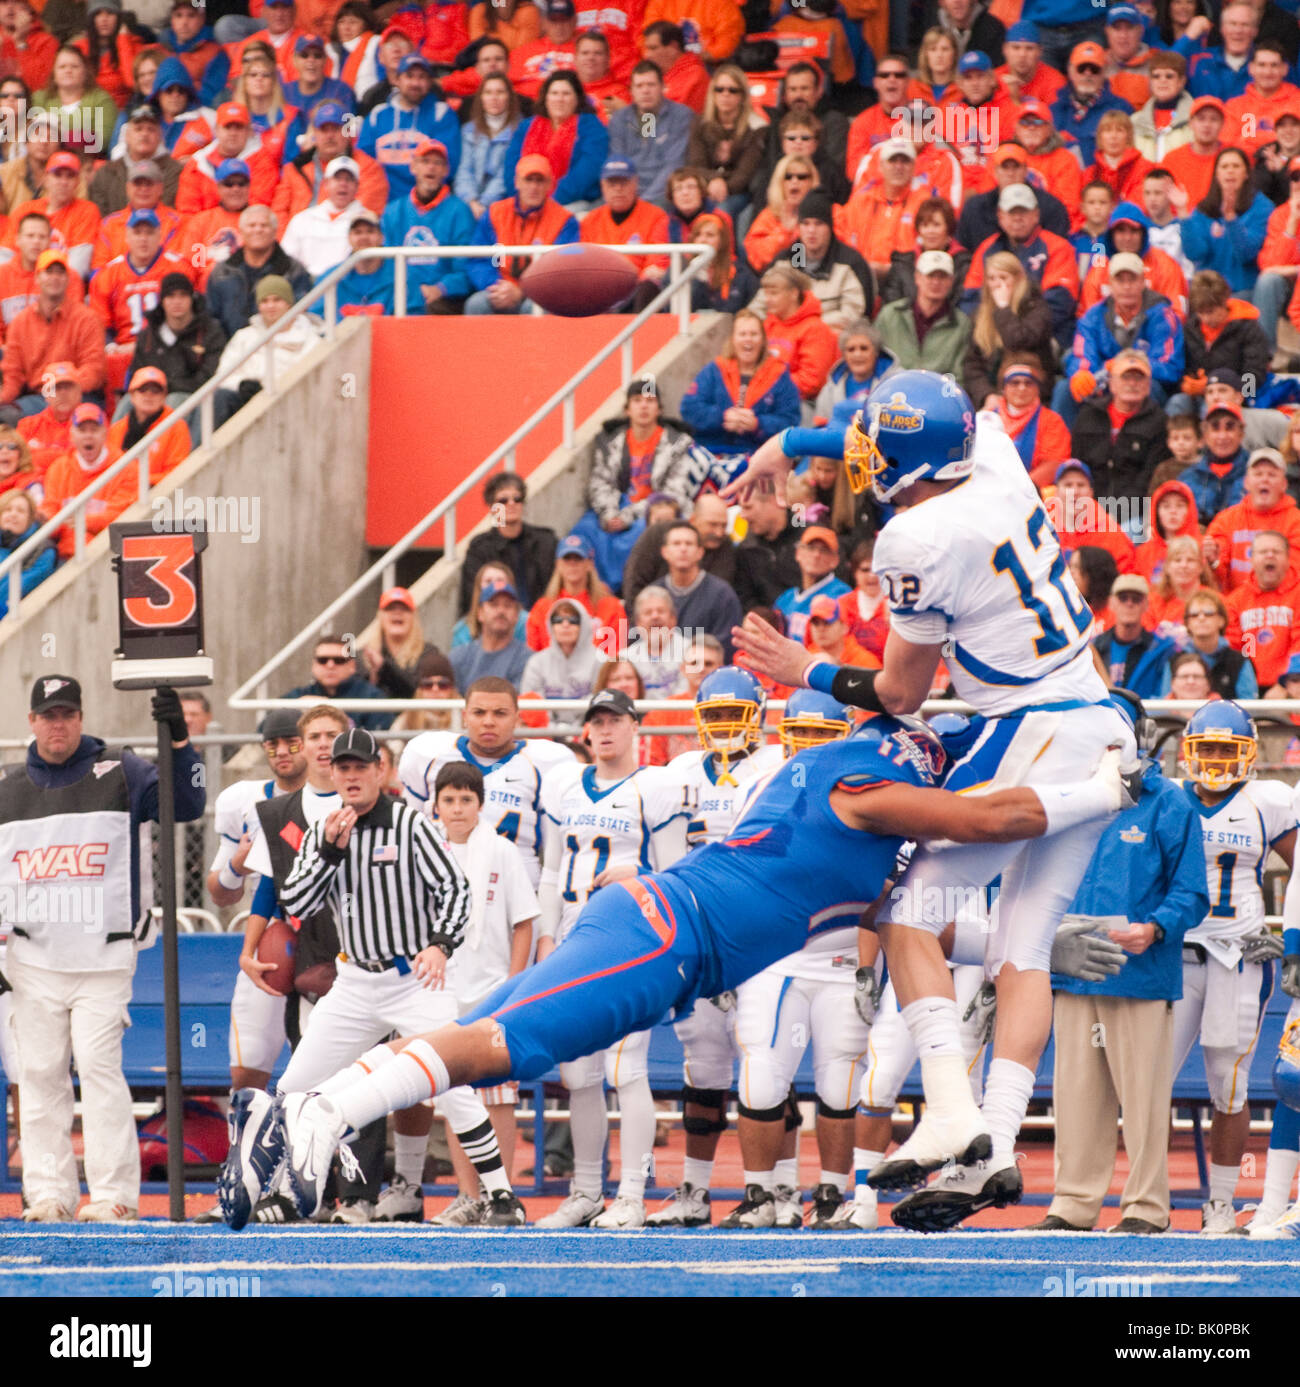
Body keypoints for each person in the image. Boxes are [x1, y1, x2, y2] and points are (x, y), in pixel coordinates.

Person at [222, 709, 1132, 1228]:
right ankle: (316, 1116)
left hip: (660, 922)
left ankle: (305, 1121)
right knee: (506, 1048)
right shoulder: (861, 788)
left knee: (480, 1031)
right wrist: (1098, 790)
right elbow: (989, 821)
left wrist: (1040, 945)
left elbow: (918, 923)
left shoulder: (847, 806)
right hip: (669, 935)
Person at [722, 368, 1139, 1230]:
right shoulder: (990, 449)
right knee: (1022, 945)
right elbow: (898, 444)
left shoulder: (914, 539)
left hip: (1031, 726)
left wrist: (802, 670)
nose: (860, 452)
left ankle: (950, 1108)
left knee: (908, 913)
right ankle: (992, 1140)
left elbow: (901, 693)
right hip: (1097, 714)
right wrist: (791, 443)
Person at [219, 726, 527, 1231]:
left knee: (454, 1087)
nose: (352, 775)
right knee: (295, 1085)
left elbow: (454, 890)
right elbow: (295, 903)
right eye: (343, 767)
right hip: (355, 981)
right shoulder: (326, 829)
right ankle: (280, 1192)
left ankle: (500, 1194)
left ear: (380, 771)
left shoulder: (409, 824)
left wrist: (439, 944)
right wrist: (330, 854)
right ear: (333, 773)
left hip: (412, 978)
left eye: (361, 766)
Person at [6, 677, 204, 1223]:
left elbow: (187, 803)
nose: (58, 724)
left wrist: (180, 740)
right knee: (39, 1074)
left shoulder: (122, 769)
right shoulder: (7, 788)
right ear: (32, 721)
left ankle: (115, 1194)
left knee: (97, 1069)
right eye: (48, 715)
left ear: (81, 715)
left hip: (104, 955)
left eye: (67, 713)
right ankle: (49, 1194)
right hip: (31, 957)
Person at [1030, 691, 1209, 1234]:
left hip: (1142, 971)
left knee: (1145, 1100)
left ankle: (1147, 1208)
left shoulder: (1169, 802)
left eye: (1113, 730)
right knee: (1076, 1097)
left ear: (1137, 735)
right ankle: (1073, 1203)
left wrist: (1154, 927)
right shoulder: (1064, 798)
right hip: (1075, 974)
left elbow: (1192, 892)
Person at [530, 688, 689, 1230]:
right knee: (578, 1074)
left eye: (614, 721)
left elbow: (678, 874)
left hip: (629, 939)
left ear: (634, 727)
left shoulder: (654, 787)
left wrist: (638, 877)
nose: (604, 730)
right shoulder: (564, 785)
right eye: (596, 721)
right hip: (575, 940)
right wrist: (547, 936)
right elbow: (551, 873)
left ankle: (633, 1193)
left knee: (628, 1069)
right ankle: (586, 1191)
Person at [648, 668, 786, 1229]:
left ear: (756, 716)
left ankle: (779, 1191)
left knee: (766, 1064)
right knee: (702, 1066)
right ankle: (694, 1191)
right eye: (717, 715)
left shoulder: (775, 767)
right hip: (700, 936)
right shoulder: (676, 775)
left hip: (760, 934)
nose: (727, 727)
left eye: (736, 714)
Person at [1171, 702, 1299, 1233]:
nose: (1218, 760)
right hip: (1172, 956)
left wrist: (1285, 937)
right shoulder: (1168, 799)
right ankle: (1145, 1199)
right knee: (1147, 1082)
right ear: (1188, 752)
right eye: (1208, 749)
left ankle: (1221, 1204)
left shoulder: (1267, 802)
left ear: (1248, 753)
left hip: (1240, 957)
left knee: (1230, 1083)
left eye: (1229, 748)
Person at [418, 761, 539, 1226]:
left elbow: (524, 921)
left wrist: (513, 983)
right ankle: (467, 1195)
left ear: (481, 804)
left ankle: (500, 1193)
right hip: (441, 989)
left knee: (498, 1097)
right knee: (454, 1094)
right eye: (448, 800)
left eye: (466, 799)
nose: (457, 808)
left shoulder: (503, 852)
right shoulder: (425, 850)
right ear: (436, 805)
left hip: (492, 989)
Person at [399, 674, 577, 887]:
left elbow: (554, 855)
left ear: (516, 717)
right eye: (479, 712)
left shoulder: (545, 763)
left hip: (517, 890)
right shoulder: (428, 754)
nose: (488, 721)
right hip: (444, 886)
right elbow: (414, 832)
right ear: (465, 716)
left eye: (500, 713)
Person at [573, 377, 701, 593]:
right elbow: (599, 481)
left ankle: (626, 589)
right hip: (616, 505)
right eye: (637, 400)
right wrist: (609, 513)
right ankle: (594, 594)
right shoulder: (609, 442)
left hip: (656, 509)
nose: (644, 406)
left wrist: (627, 516)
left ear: (659, 409)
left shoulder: (677, 443)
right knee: (583, 530)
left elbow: (674, 493)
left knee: (645, 532)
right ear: (627, 409)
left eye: (650, 401)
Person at [463, 153, 580, 315]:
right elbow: (478, 260)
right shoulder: (495, 213)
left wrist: (522, 291)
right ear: (517, 182)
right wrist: (497, 287)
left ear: (549, 185)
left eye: (540, 181)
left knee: (532, 308)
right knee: (476, 304)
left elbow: (563, 271)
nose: (534, 187)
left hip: (541, 293)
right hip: (500, 289)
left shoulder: (564, 220)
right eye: (528, 180)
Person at [679, 309, 800, 460]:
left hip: (759, 457)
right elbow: (689, 408)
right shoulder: (714, 370)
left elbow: (790, 421)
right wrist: (722, 417)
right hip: (711, 454)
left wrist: (758, 424)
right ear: (733, 339)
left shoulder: (779, 375)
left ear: (763, 340)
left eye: (754, 334)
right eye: (742, 334)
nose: (748, 339)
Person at [0, 249, 104, 423]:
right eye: (49, 272)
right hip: (38, 398)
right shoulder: (20, 322)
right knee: (5, 415)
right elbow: (12, 373)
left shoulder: (87, 319)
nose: (55, 278)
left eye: (60, 272)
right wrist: (4, 397)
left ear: (68, 278)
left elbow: (94, 369)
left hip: (77, 396)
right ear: (37, 278)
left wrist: (66, 388)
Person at [1068, 347, 1174, 499]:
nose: (1132, 383)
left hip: (1134, 511)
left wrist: (1118, 513)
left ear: (1148, 385)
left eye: (1139, 378)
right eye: (1125, 377)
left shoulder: (1159, 422)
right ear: (1112, 383)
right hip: (1089, 505)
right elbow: (1077, 466)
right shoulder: (1089, 414)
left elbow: (1148, 478)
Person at [357, 51, 461, 202]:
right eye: (409, 76)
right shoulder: (377, 115)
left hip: (425, 201)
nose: (415, 83)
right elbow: (364, 163)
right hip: (382, 200)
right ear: (397, 80)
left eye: (422, 77)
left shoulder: (441, 113)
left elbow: (447, 166)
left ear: (429, 82)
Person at [501, 68, 606, 209]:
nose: (560, 99)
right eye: (554, 93)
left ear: (577, 99)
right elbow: (511, 166)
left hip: (574, 201)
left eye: (566, 94)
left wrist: (552, 202)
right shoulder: (527, 126)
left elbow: (587, 171)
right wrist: (522, 198)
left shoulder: (591, 126)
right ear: (546, 98)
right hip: (526, 200)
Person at [204, 204, 312, 341]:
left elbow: (300, 316)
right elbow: (211, 318)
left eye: (264, 225)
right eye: (252, 225)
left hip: (279, 348)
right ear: (241, 231)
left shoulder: (293, 270)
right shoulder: (222, 272)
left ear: (274, 231)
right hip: (231, 351)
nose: (258, 230)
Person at [962, 252, 1055, 407]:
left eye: (1003, 278)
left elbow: (1018, 341)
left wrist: (1004, 309)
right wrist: (986, 395)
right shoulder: (980, 315)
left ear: (1018, 279)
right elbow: (972, 365)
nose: (997, 284)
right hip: (992, 396)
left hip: (1029, 392)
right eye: (992, 279)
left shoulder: (1037, 309)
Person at [1180, 146, 1273, 295]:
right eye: (1224, 166)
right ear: (1217, 174)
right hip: (1208, 294)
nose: (1230, 171)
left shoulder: (1262, 207)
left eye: (1236, 166)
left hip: (1244, 290)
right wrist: (1183, 215)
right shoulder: (1204, 208)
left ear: (1247, 173)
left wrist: (1231, 219)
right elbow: (1195, 254)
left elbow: (1247, 254)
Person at [1204, 448, 1300, 592]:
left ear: (1284, 485)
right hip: (1235, 606)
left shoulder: (1296, 522)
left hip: (1282, 607)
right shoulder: (1226, 520)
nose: (1264, 479)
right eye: (1258, 474)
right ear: (1246, 482)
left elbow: (1295, 574)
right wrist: (1213, 562)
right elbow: (1217, 575)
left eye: (1272, 475)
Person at [873, 250, 973, 375]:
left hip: (938, 391)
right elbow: (874, 358)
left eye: (942, 276)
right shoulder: (890, 315)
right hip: (894, 389)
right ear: (917, 277)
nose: (936, 282)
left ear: (951, 281)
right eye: (930, 276)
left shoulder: (962, 325)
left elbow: (959, 375)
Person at [687, 64, 766, 223]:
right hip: (705, 187)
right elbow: (695, 165)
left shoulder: (757, 126)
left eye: (732, 90)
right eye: (720, 89)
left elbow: (744, 174)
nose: (725, 94)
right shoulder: (700, 122)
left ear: (742, 96)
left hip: (740, 193)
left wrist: (722, 185)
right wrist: (714, 180)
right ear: (712, 93)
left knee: (721, 210)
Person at [525, 532, 626, 653]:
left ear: (589, 564)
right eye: (567, 558)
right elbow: (532, 653)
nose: (572, 564)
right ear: (558, 564)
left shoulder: (612, 607)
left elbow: (618, 655)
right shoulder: (542, 608)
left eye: (578, 558)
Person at [657, 520, 742, 661]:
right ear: (664, 552)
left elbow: (727, 647)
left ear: (700, 552)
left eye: (689, 544)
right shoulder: (654, 595)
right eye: (677, 544)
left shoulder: (722, 594)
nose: (683, 549)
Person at [1225, 529, 1300, 690]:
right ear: (1251, 559)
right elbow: (1233, 649)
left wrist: (1286, 684)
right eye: (1263, 551)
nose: (1270, 555)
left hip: (1290, 686)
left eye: (1276, 551)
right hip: (1247, 686)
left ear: (1288, 558)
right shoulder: (1235, 601)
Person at [282, 633, 392, 730]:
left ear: (352, 665)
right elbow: (267, 725)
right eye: (322, 660)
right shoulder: (299, 696)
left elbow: (379, 739)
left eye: (339, 660)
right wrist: (295, 710)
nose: (330, 665)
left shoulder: (372, 697)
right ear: (314, 665)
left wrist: (328, 708)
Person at [1051, 40, 1135, 166]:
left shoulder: (1121, 109)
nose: (1088, 73)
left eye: (1094, 69)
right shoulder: (1054, 110)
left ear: (1105, 71)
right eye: (1081, 68)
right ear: (1070, 70)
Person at [1093, 573, 1178, 696]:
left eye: (1136, 599)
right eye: (1123, 598)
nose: (1129, 604)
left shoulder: (1161, 650)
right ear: (1111, 603)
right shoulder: (1095, 648)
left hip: (1146, 713)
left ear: (1146, 605)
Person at [453, 73, 521, 220]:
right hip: (469, 205)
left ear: (509, 97)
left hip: (504, 203)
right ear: (481, 98)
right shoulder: (468, 131)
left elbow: (506, 174)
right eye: (488, 92)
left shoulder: (520, 131)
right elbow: (464, 170)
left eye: (500, 92)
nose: (494, 98)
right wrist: (471, 201)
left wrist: (485, 204)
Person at [106, 366, 189, 483]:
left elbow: (176, 473)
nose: (149, 395)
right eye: (143, 389)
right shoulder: (117, 429)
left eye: (156, 391)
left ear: (164, 396)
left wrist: (138, 481)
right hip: (121, 493)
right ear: (132, 395)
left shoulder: (176, 426)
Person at [743, 154, 818, 277]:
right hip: (779, 281)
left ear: (812, 182)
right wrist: (784, 232)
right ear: (780, 182)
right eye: (788, 177)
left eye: (802, 177)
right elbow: (758, 260)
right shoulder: (768, 216)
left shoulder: (831, 213)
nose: (795, 181)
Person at [360, 585, 441, 700]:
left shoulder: (429, 654)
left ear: (414, 617)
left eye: (404, 609)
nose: (397, 613)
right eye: (390, 609)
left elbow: (419, 692)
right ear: (380, 616)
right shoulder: (365, 655)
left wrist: (384, 667)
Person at [451, 578, 531, 689]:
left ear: (517, 616)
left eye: (508, 605)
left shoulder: (528, 660)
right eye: (494, 604)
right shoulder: (459, 656)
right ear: (480, 613)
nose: (501, 611)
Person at [1179, 400, 1250, 516]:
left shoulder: (1256, 473)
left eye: (1230, 427)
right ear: (1205, 434)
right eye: (1215, 428)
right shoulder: (1188, 478)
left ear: (1241, 433)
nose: (1222, 436)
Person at [0, 487, 55, 615]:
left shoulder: (43, 550)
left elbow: (18, 588)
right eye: (8, 510)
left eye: (20, 511)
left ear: (30, 518)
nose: (13, 514)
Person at [1145, 533, 1216, 631]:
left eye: (1190, 560)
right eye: (1177, 560)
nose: (1184, 565)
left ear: (1200, 567)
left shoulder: (1215, 601)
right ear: (1167, 567)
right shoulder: (1152, 603)